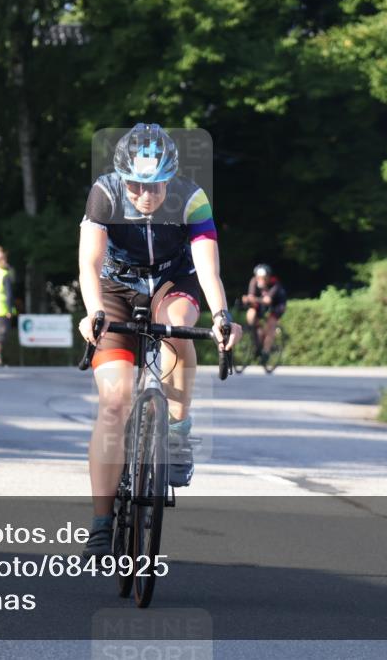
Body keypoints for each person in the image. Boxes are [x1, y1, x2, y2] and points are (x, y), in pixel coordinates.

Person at [77, 123, 241, 558]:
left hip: (173, 281)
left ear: (171, 177)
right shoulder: (105, 194)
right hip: (116, 287)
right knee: (114, 401)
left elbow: (208, 270)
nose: (145, 196)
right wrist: (93, 311)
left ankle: (177, 430)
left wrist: (223, 316)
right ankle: (100, 522)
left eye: (155, 186)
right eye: (136, 185)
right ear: (121, 177)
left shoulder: (192, 199)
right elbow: (89, 264)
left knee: (180, 323)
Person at [242, 264, 287, 360]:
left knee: (271, 324)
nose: (261, 280)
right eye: (259, 278)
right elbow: (251, 297)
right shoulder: (254, 281)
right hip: (261, 302)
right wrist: (247, 299)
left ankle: (266, 351)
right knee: (251, 314)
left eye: (264, 278)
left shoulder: (275, 284)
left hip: (276, 304)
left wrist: (253, 299)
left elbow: (268, 300)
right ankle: (256, 337)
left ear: (268, 277)